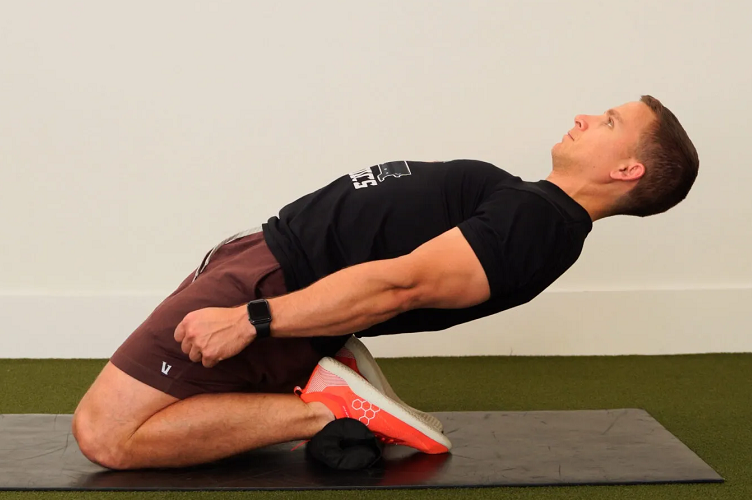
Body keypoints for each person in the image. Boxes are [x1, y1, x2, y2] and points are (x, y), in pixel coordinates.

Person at [71, 95, 699, 470]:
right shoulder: (535, 211)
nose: (584, 116)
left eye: (609, 121)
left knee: (107, 433)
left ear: (626, 168)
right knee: (165, 404)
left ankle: (329, 408)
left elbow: (404, 285)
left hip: (273, 285)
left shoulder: (538, 225)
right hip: (271, 271)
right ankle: (328, 378)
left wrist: (254, 317)